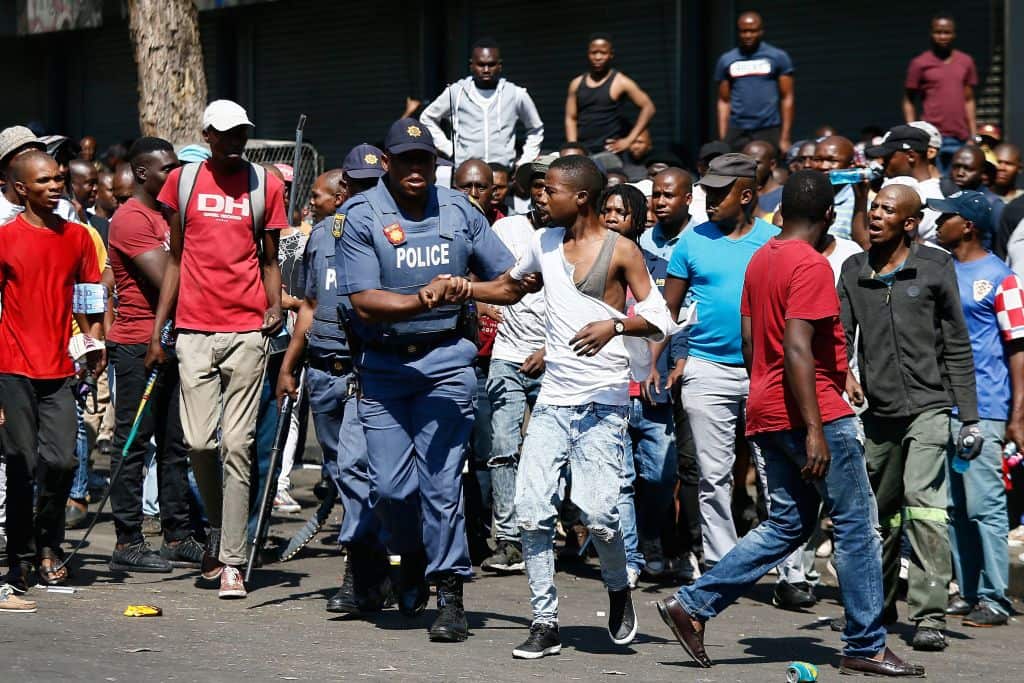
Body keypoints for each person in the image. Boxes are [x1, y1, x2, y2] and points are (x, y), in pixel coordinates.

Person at [657, 170, 924, 677]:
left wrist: (767, 392)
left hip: (766, 407)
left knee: (787, 525)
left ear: (781, 213)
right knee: (856, 527)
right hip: (813, 411)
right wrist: (816, 427)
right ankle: (866, 643)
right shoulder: (812, 264)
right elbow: (800, 348)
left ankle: (691, 606)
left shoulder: (763, 258)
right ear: (829, 215)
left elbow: (752, 339)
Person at [335, 117, 532, 643]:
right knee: (391, 487)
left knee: (443, 486)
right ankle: (413, 557)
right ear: (389, 163)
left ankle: (450, 595)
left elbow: (510, 284)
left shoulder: (461, 211)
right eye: (406, 159)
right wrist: (423, 297)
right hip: (384, 367)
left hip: (446, 364)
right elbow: (362, 302)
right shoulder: (360, 215)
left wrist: (466, 289)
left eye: (424, 160)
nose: (416, 169)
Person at [505, 155, 676, 659]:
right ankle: (544, 620)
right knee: (532, 510)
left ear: (580, 197)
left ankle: (619, 588)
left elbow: (661, 319)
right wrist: (461, 290)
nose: (541, 196)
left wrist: (616, 325)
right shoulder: (542, 243)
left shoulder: (621, 250)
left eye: (550, 189)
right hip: (554, 400)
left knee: (601, 514)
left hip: (603, 404)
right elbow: (512, 287)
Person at [147, 99, 288, 600]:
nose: (235, 141)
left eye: (241, 133)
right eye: (225, 133)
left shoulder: (265, 184)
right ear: (207, 134)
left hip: (248, 330)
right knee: (201, 443)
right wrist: (158, 331)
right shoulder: (182, 183)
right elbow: (177, 259)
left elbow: (270, 259)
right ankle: (217, 530)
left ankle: (231, 558)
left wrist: (275, 308)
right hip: (192, 331)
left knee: (238, 445)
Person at [840, 184, 979, 652]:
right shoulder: (854, 270)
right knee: (879, 514)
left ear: (909, 222)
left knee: (924, 503)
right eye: (873, 206)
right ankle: (877, 604)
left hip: (930, 406)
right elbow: (840, 338)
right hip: (878, 412)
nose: (875, 214)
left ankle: (929, 613)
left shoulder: (935, 265)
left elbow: (957, 343)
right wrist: (843, 374)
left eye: (886, 209)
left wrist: (971, 417)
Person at [279, 148, 395, 614]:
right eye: (359, 186)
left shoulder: (392, 235)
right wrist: (290, 364)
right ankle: (372, 574)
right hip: (324, 372)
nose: (366, 195)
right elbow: (308, 304)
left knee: (362, 477)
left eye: (375, 185)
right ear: (345, 190)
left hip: (367, 374)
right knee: (345, 479)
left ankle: (365, 575)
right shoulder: (324, 235)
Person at [0, 150, 105, 592]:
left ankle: (50, 543)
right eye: (43, 181)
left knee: (62, 460)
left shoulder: (78, 237)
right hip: (11, 367)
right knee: (21, 464)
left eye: (58, 178)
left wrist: (94, 340)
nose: (55, 185)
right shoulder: (4, 238)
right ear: (21, 189)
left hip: (60, 368)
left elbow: (87, 296)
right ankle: (24, 555)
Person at [105, 137, 205, 573]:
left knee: (174, 444)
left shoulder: (169, 215)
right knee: (132, 443)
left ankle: (177, 534)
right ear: (143, 173)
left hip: (174, 340)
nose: (175, 174)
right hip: (138, 345)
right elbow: (171, 275)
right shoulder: (130, 219)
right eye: (167, 168)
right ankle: (127, 539)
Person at [931, 190, 1023, 627]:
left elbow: (1018, 348)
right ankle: (966, 591)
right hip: (940, 406)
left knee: (985, 506)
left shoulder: (1001, 278)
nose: (936, 223)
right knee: (952, 506)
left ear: (967, 225)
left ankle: (996, 598)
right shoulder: (939, 268)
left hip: (984, 407)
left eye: (945, 217)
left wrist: (1017, 413)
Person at [480, 157, 553, 575]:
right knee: (503, 448)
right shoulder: (506, 229)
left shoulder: (572, 237)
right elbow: (479, 280)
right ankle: (507, 540)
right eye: (537, 186)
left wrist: (549, 348)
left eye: (551, 186)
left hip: (557, 359)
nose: (543, 194)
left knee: (547, 452)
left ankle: (546, 533)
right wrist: (493, 307)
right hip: (507, 354)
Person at [420, 38, 543, 167]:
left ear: (500, 65)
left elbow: (536, 128)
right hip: (466, 172)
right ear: (471, 65)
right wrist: (449, 150)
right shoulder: (456, 92)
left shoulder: (516, 94)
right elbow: (427, 118)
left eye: (491, 64)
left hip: (502, 173)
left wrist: (525, 161)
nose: (486, 69)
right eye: (480, 64)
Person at [903, 13, 978, 172]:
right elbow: (908, 99)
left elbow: (969, 99)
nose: (943, 36)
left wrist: (973, 134)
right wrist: (912, 130)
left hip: (960, 137)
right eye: (938, 32)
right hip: (932, 137)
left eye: (947, 32)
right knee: (936, 183)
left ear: (954, 34)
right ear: (931, 34)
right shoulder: (920, 63)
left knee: (958, 183)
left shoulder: (965, 61)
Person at [715, 11, 795, 153]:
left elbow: (787, 97)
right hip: (737, 129)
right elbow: (723, 101)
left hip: (768, 128)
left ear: (761, 31)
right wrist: (723, 136)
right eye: (743, 31)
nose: (748, 36)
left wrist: (785, 137)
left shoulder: (778, 57)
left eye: (752, 31)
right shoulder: (727, 60)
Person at [564, 33, 656, 155]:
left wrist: (628, 140)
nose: (598, 57)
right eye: (594, 52)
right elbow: (571, 118)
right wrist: (574, 146)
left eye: (603, 53)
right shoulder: (576, 83)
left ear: (611, 54)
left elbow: (648, 107)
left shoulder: (621, 82)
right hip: (583, 150)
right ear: (588, 54)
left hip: (608, 151)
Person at [866, 125, 943, 244]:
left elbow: (869, 242)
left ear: (911, 156)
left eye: (888, 157)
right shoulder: (891, 183)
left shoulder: (929, 197)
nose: (882, 163)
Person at [812, 135, 869, 246]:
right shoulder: (801, 196)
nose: (823, 166)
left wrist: (860, 200)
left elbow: (865, 246)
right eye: (817, 160)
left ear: (850, 166)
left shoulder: (862, 204)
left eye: (832, 160)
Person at [948, 145, 1004, 230]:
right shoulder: (948, 196)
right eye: (956, 167)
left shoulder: (993, 205)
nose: (960, 173)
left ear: (982, 172)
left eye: (968, 169)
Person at [68, 158, 110, 242]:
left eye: (96, 183)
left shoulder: (102, 226)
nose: (95, 188)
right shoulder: (54, 223)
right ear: (71, 184)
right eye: (90, 183)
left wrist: (84, 224)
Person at [453, 158, 503, 224]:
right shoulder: (440, 223)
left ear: (493, 192)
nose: (473, 194)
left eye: (481, 188)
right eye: (466, 187)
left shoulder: (503, 227)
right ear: (453, 190)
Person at [742, 140, 782, 217]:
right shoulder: (741, 195)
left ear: (772, 164)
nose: (750, 167)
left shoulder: (784, 196)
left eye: (756, 163)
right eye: (746, 163)